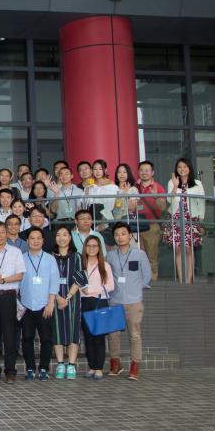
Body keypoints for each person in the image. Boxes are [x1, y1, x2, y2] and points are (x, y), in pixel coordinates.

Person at [106, 223, 151, 381]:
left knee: (135, 335)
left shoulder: (139, 255)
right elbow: (106, 276)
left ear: (130, 235)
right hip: (115, 300)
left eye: (123, 234)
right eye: (117, 234)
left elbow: (147, 275)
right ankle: (115, 364)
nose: (120, 237)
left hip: (134, 301)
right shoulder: (110, 255)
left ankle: (135, 367)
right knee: (113, 335)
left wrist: (138, 289)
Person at [0, 221, 25, 384]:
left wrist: (3, 280)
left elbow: (20, 275)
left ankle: (10, 371)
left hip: (8, 296)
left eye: (2, 232)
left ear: (7, 234)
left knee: (9, 336)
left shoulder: (15, 252)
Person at [20, 227, 59, 382]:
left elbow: (54, 282)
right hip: (26, 305)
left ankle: (43, 368)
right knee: (27, 338)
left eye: (38, 238)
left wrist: (51, 303)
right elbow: (17, 281)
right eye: (32, 238)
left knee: (46, 339)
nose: (35, 241)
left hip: (44, 305)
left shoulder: (50, 259)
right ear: (27, 241)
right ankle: (30, 368)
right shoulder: (21, 258)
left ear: (43, 241)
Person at [51, 225, 87, 381]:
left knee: (73, 331)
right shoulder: (50, 256)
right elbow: (48, 279)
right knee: (57, 331)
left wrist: (67, 297)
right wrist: (58, 297)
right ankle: (60, 363)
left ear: (70, 238)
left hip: (72, 299)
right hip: (54, 298)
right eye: (58, 234)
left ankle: (71, 364)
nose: (62, 238)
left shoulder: (77, 256)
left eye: (65, 235)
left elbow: (80, 278)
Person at [164, 157, 205, 285]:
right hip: (176, 218)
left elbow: (202, 202)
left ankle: (189, 279)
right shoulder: (172, 182)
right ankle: (181, 280)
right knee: (178, 249)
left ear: (189, 168)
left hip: (191, 218)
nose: (182, 169)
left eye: (185, 166)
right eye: (179, 167)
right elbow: (169, 201)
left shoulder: (197, 183)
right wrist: (175, 186)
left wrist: (201, 221)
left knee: (189, 249)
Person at [80, 234, 115, 380]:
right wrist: (83, 289)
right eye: (89, 246)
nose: (92, 248)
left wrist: (93, 291)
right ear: (85, 248)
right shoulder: (81, 264)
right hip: (84, 302)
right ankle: (92, 366)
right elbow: (77, 282)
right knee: (88, 337)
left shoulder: (104, 265)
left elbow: (111, 286)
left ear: (99, 248)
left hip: (99, 302)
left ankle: (99, 368)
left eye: (95, 246)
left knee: (99, 336)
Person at [136, 160, 167, 280]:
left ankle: (153, 282)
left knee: (152, 256)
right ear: (138, 172)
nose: (144, 173)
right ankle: (138, 282)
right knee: (137, 256)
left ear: (152, 172)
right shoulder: (134, 187)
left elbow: (163, 207)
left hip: (152, 226)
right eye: (142, 170)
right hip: (136, 226)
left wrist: (156, 197)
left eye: (147, 170)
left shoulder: (158, 187)